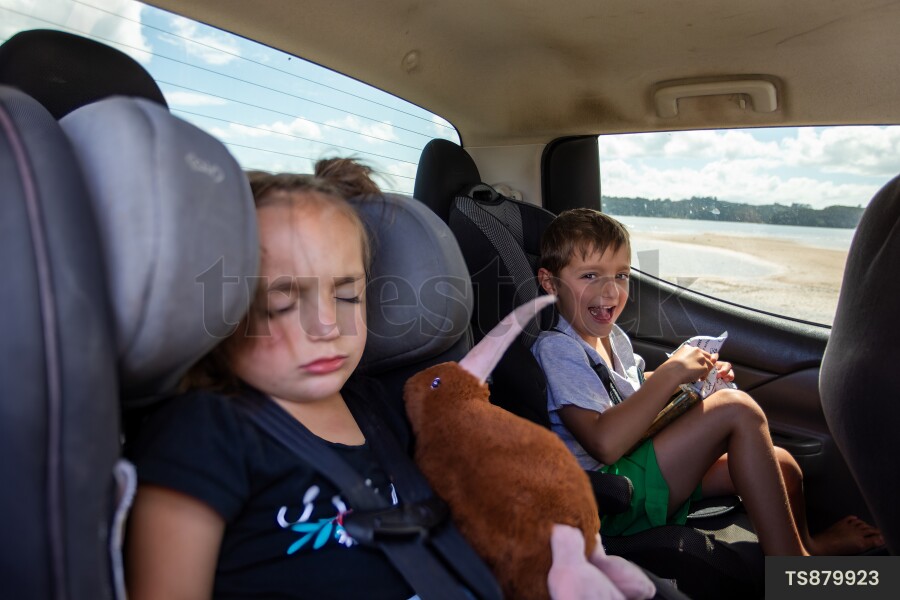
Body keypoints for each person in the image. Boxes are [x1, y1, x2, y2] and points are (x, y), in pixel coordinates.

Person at [125, 163, 425, 599]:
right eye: (280, 303)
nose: (326, 325)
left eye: (347, 296)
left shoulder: (378, 405)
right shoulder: (203, 432)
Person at [531, 207, 884, 556]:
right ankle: (793, 571)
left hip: (638, 464)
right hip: (608, 497)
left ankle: (808, 545)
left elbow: (630, 386)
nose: (611, 292)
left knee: (782, 464)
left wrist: (690, 376)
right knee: (736, 409)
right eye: (590, 276)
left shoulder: (612, 337)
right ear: (550, 282)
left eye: (621, 275)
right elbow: (603, 442)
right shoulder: (558, 349)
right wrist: (671, 374)